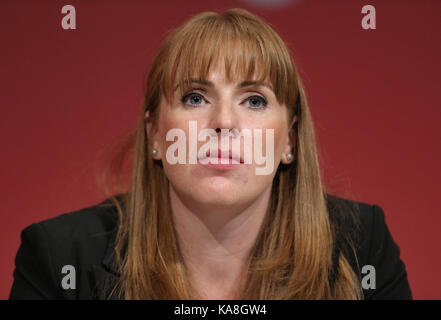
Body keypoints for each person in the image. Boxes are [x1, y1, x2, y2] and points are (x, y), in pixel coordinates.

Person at [9, 8, 411, 300]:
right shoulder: (61, 257)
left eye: (254, 100)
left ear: (289, 141)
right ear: (155, 134)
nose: (222, 121)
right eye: (195, 97)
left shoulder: (361, 247)